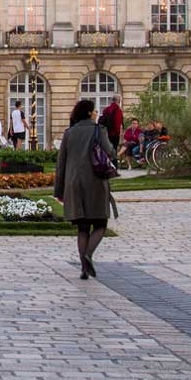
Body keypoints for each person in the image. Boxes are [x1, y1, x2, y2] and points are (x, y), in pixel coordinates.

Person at [55, 98, 116, 280]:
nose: (97, 113)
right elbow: (110, 152)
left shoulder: (69, 133)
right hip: (95, 182)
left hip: (74, 183)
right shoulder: (99, 130)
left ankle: (83, 268)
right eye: (95, 111)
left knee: (82, 227)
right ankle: (89, 254)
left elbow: (61, 164)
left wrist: (59, 190)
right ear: (90, 113)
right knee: (100, 224)